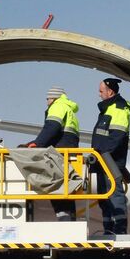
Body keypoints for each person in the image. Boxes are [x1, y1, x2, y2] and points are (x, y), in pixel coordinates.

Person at [20, 86, 80, 220]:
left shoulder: (58, 106)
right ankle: (69, 218)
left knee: (55, 186)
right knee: (65, 188)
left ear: (53, 98)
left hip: (58, 152)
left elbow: (52, 127)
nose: (47, 101)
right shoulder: (68, 108)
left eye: (47, 99)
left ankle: (64, 219)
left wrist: (37, 143)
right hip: (66, 150)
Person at [91, 77, 130, 235]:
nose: (99, 94)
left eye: (101, 91)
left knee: (115, 195)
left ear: (110, 92)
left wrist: (102, 154)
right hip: (102, 160)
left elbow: (117, 136)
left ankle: (120, 229)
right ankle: (108, 229)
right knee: (104, 197)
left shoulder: (119, 108)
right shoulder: (107, 109)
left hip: (111, 160)